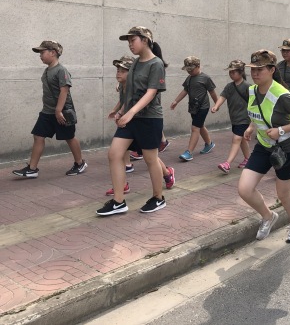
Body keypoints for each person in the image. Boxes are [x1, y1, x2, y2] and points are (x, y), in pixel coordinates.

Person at [238, 50, 290, 243]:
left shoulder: (281, 95)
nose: (255, 73)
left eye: (260, 69)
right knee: (245, 189)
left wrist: (280, 130)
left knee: (283, 194)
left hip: (286, 148)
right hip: (264, 145)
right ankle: (268, 216)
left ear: (272, 70)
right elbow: (257, 112)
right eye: (252, 69)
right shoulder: (252, 90)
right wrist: (251, 127)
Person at [96, 26, 168, 215]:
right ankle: (118, 202)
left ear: (145, 40)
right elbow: (129, 91)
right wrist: (121, 111)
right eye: (128, 42)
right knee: (114, 154)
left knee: (150, 159)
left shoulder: (156, 64)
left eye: (132, 40)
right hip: (131, 118)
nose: (130, 44)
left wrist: (131, 112)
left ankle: (158, 198)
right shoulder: (135, 63)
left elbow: (151, 93)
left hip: (149, 118)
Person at [13, 41, 87, 178]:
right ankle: (32, 169)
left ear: (53, 53)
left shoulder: (61, 70)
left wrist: (58, 111)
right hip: (47, 111)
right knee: (38, 136)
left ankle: (80, 163)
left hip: (61, 112)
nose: (40, 55)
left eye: (42, 52)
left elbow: (64, 90)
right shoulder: (47, 70)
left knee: (69, 137)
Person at [105, 56, 175, 196]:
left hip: (143, 120)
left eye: (123, 71)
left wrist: (122, 112)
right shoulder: (122, 84)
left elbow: (135, 101)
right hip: (128, 120)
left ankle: (167, 175)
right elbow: (125, 101)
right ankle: (122, 185)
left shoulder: (139, 84)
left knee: (149, 155)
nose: (118, 73)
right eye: (118, 70)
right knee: (117, 152)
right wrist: (117, 111)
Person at [171, 57, 218, 161]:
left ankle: (189, 152)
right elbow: (185, 91)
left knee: (195, 128)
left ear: (198, 66)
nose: (189, 72)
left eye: (191, 70)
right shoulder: (189, 78)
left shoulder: (205, 78)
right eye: (188, 70)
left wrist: (217, 104)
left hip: (203, 107)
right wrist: (176, 101)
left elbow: (212, 92)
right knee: (200, 126)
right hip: (193, 107)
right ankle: (209, 143)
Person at [211, 60, 252, 174]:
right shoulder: (229, 86)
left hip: (244, 118)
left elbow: (253, 103)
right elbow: (222, 96)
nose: (231, 74)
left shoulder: (248, 86)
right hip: (234, 118)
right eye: (230, 72)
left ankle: (227, 163)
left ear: (241, 72)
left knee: (236, 139)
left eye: (233, 72)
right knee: (242, 139)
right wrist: (216, 106)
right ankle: (248, 159)